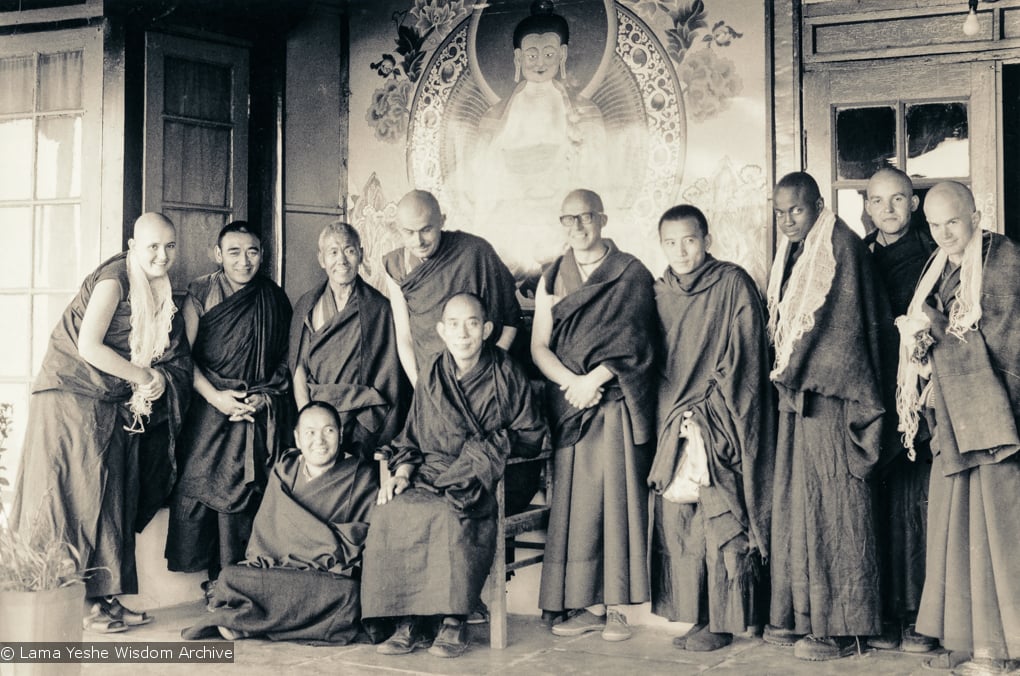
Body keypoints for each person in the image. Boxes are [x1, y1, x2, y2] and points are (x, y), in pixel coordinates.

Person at [11, 212, 192, 632]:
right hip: (70, 395)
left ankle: (105, 599)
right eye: (152, 246)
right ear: (132, 247)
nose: (162, 256)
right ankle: (70, 604)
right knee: (72, 497)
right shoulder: (115, 280)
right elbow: (90, 346)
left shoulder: (158, 289)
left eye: (169, 246)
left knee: (110, 497)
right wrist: (147, 378)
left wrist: (157, 379)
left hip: (109, 399)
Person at [361, 293, 546, 659]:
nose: (464, 334)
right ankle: (408, 620)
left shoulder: (506, 371)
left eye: (473, 323)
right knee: (390, 511)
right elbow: (413, 435)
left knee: (449, 513)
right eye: (455, 325)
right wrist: (402, 471)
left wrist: (484, 455)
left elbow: (529, 434)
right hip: (430, 472)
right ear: (442, 331)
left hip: (484, 476)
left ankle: (453, 620)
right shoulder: (432, 372)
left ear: (487, 329)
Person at [764, 172, 893, 660]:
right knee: (804, 509)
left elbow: (845, 330)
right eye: (780, 212)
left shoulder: (842, 245)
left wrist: (795, 372)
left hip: (835, 401)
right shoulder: (792, 252)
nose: (787, 220)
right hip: (803, 399)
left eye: (796, 210)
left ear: (818, 204)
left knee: (838, 510)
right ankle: (805, 616)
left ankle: (844, 627)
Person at [896, 181, 1020, 674]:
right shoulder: (939, 267)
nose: (944, 233)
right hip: (954, 418)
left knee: (996, 530)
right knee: (959, 529)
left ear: (975, 213)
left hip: (995, 427)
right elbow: (946, 335)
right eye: (933, 224)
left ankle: (1001, 651)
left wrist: (937, 329)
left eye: (953, 221)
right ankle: (975, 643)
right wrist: (923, 345)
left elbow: (1007, 350)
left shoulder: (1004, 259)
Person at [534, 189, 660, 642]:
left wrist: (595, 381)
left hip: (614, 402)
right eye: (569, 219)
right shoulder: (552, 275)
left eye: (586, 217)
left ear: (603, 219)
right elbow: (539, 346)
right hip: (571, 405)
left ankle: (617, 610)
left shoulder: (631, 273)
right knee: (577, 506)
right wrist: (572, 383)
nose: (578, 227)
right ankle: (584, 603)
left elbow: (640, 341)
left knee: (615, 502)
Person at [647, 205, 774, 652]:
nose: (681, 250)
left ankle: (726, 622)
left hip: (718, 417)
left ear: (706, 238)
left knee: (720, 522)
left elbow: (745, 355)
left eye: (690, 240)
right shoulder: (658, 290)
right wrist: (674, 413)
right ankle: (698, 616)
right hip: (672, 419)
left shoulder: (732, 283)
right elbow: (651, 356)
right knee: (681, 524)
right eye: (670, 242)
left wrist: (707, 409)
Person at [181, 402, 377, 644]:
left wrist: (314, 551)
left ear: (341, 434)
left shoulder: (361, 475)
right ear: (297, 438)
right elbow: (266, 536)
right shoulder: (284, 471)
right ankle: (287, 625)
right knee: (229, 577)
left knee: (349, 595)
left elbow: (360, 536)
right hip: (277, 571)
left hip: (322, 576)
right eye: (310, 432)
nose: (320, 440)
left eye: (329, 431)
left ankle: (248, 623)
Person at [166, 221, 293, 583]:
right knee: (203, 482)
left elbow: (286, 358)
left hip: (255, 409)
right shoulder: (200, 293)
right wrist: (216, 398)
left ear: (262, 254)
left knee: (251, 491)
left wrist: (264, 397)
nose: (244, 261)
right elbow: (182, 358)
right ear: (218, 255)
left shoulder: (273, 298)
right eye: (234, 252)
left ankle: (244, 581)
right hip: (209, 409)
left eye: (252, 251)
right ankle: (215, 580)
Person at [471, 0, 609, 274]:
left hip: (560, 202)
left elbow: (595, 169)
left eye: (549, 54)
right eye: (532, 55)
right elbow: (484, 174)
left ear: (563, 54)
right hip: (514, 203)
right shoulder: (496, 115)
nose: (540, 63)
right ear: (518, 58)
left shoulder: (584, 112)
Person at [861, 167, 939, 653]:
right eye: (877, 201)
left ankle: (918, 617)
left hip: (916, 399)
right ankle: (884, 612)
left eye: (897, 201)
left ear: (913, 205)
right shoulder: (858, 257)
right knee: (876, 509)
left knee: (915, 509)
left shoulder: (933, 257)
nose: (887, 210)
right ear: (866, 206)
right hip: (873, 397)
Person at [289, 222, 410, 461]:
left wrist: (373, 428)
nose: (341, 260)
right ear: (321, 259)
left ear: (361, 255)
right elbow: (298, 367)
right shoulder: (307, 305)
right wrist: (308, 419)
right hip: (317, 417)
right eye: (333, 252)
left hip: (361, 423)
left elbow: (390, 377)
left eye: (349, 250)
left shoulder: (379, 308)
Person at [384, 189, 521, 387]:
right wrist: (420, 385)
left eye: (426, 229)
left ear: (442, 220)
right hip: (432, 380)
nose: (418, 241)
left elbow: (511, 320)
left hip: (487, 379)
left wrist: (489, 370)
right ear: (398, 228)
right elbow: (404, 336)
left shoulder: (475, 251)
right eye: (409, 232)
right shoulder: (397, 266)